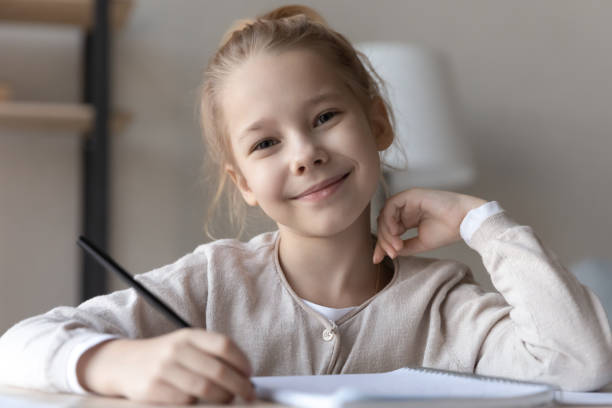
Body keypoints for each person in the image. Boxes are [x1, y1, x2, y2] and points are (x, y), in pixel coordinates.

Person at [1, 4, 611, 406]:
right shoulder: (211, 283)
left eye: (324, 117)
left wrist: (481, 221)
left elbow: (581, 364)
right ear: (242, 182)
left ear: (377, 122)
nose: (304, 154)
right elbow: (18, 346)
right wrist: (119, 365)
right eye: (266, 142)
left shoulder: (444, 307)